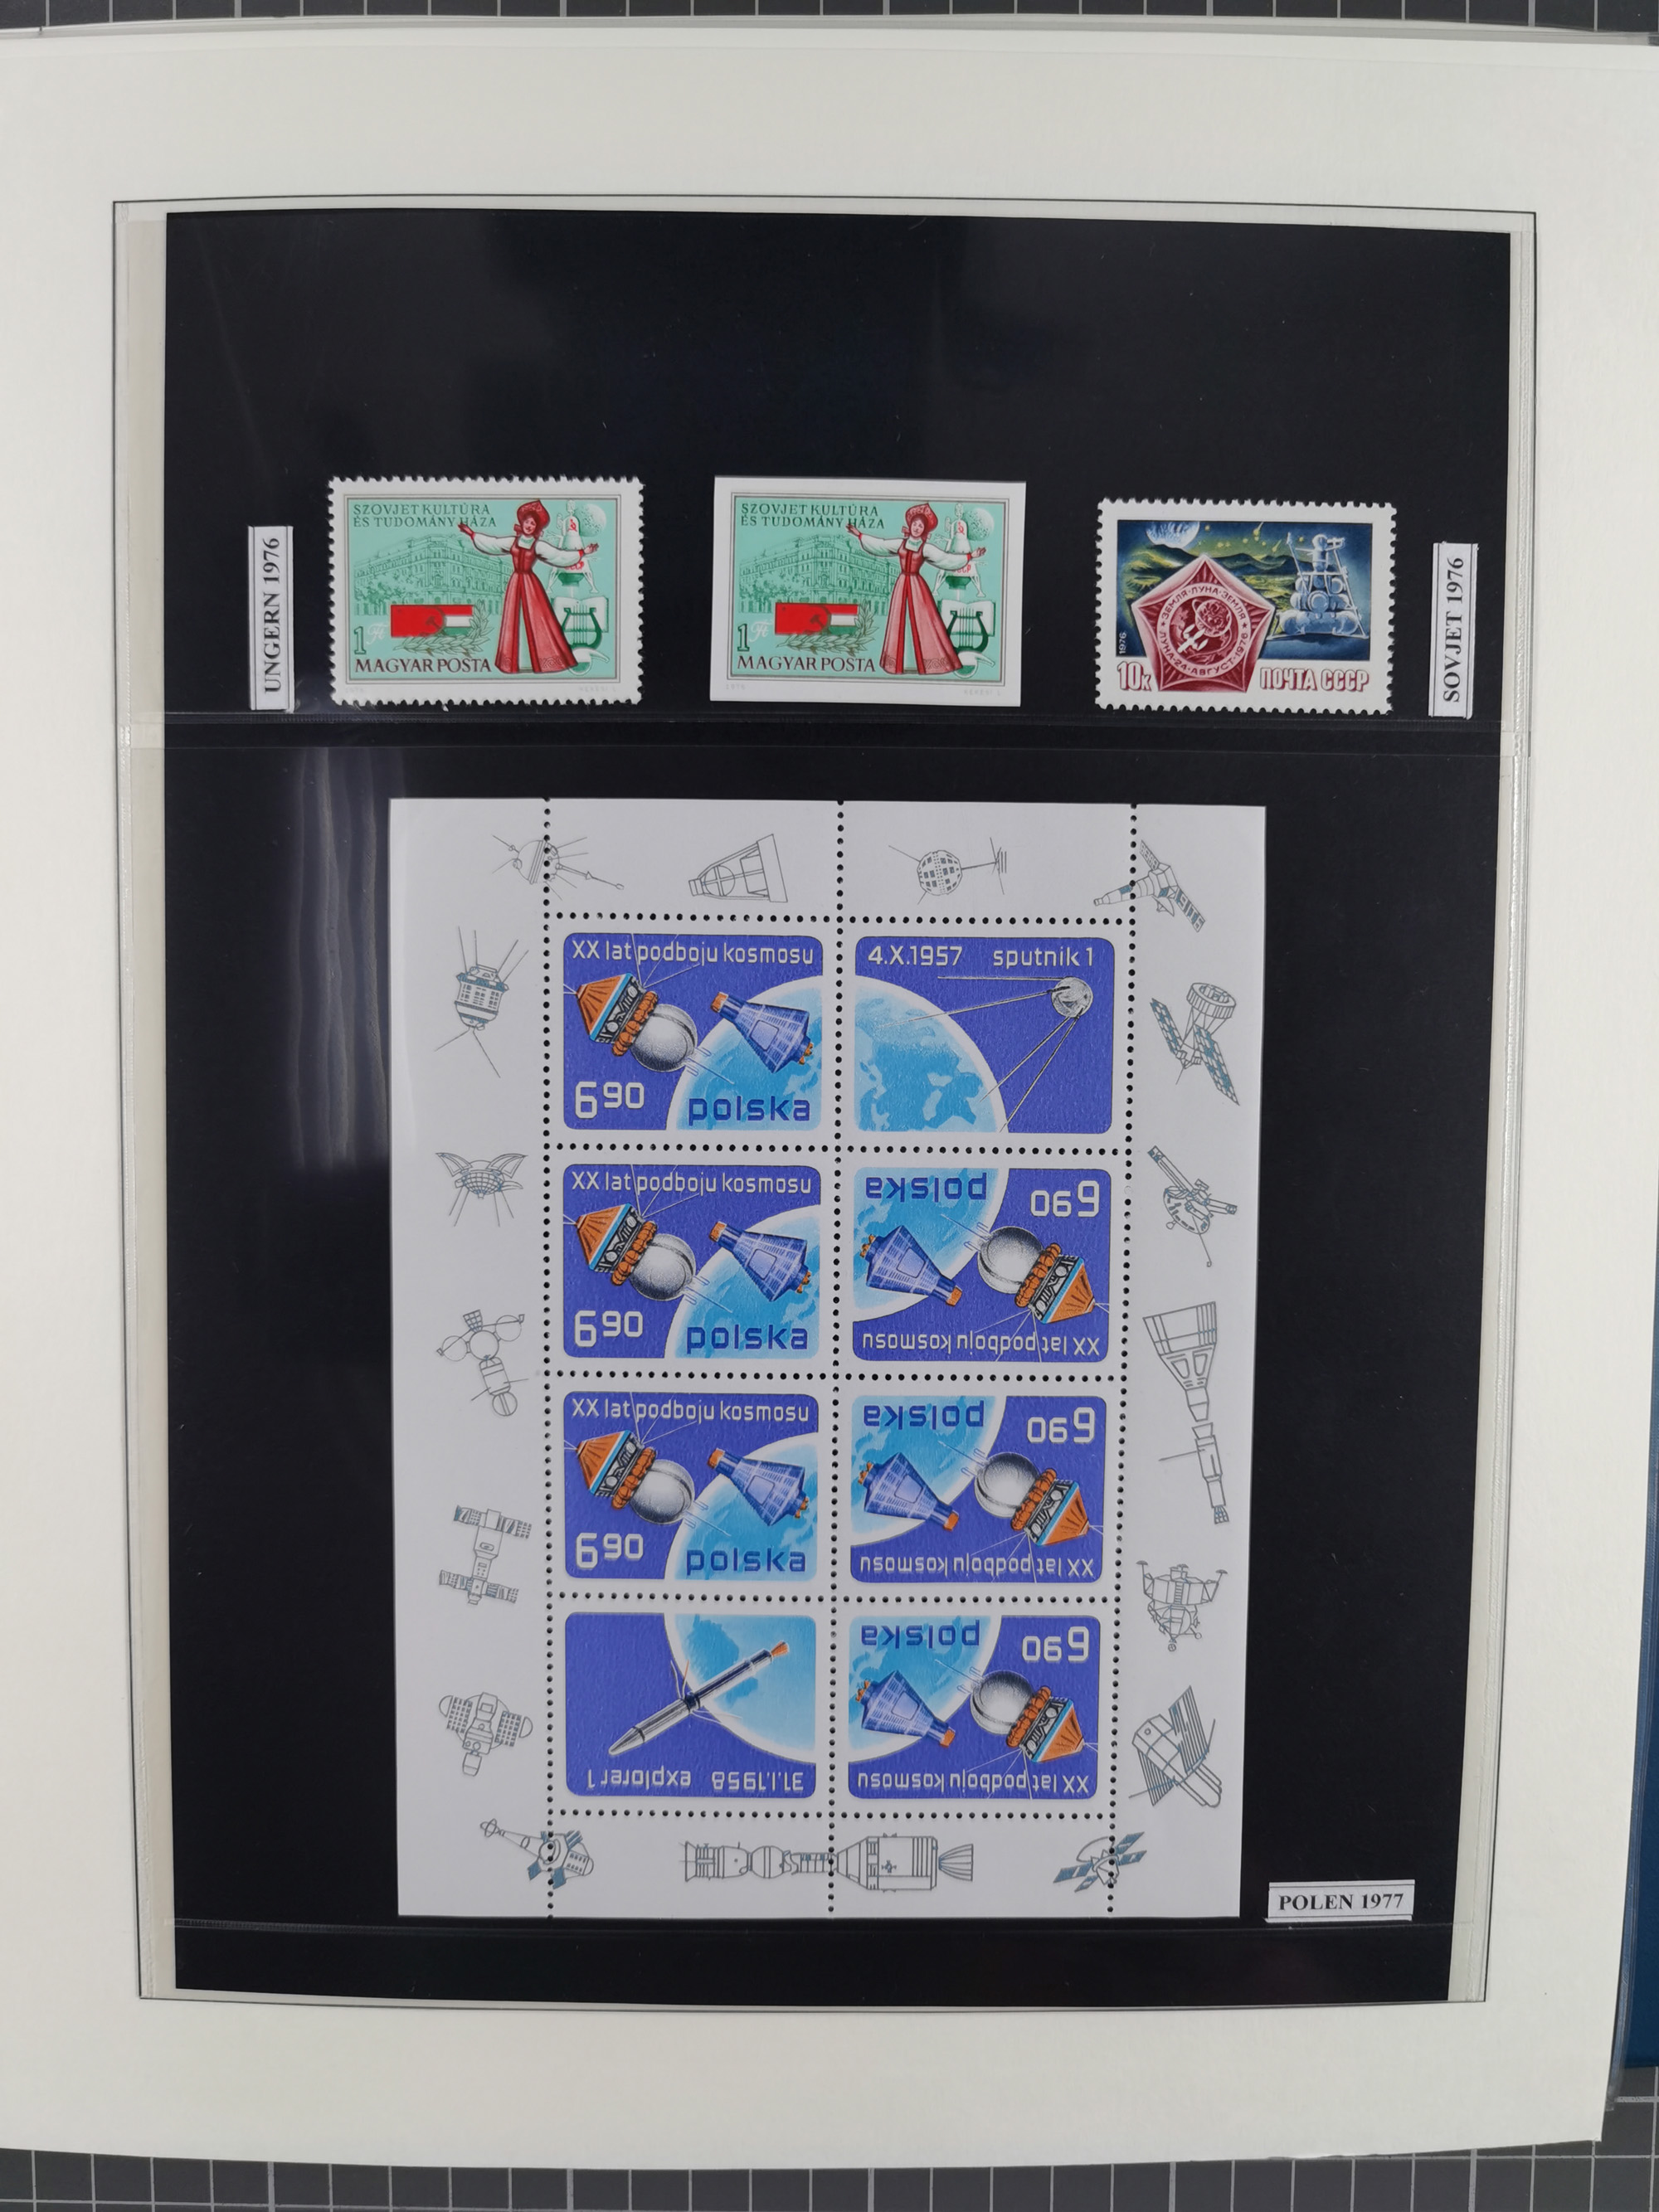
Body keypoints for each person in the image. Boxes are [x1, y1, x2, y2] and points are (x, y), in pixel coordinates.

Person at [459, 500, 597, 676]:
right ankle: (515, 662)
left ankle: (540, 661)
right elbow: (493, 543)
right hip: (515, 583)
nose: (529, 526)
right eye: (527, 522)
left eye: (533, 524)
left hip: (531, 586)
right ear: (522, 523)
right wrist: (472, 534)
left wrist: (583, 552)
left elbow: (558, 556)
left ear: (536, 527)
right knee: (514, 619)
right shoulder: (512, 541)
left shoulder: (538, 545)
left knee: (537, 619)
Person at [846, 503, 985, 678]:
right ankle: (901, 663)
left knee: (922, 622)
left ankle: (924, 662)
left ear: (924, 530)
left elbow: (945, 559)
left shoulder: (926, 548)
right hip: (901, 585)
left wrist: (970, 556)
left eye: (920, 526)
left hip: (917, 588)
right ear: (910, 525)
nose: (917, 528)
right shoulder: (900, 543)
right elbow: (881, 545)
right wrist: (859, 535)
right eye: (915, 524)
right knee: (900, 622)